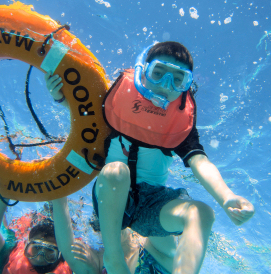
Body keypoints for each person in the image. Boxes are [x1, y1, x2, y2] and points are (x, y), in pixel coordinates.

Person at [46, 41, 255, 274]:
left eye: (178, 79)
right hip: (111, 201)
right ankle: (114, 260)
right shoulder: (116, 101)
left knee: (202, 213)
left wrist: (226, 196)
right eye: (158, 73)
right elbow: (83, 113)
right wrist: (61, 97)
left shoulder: (180, 125)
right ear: (142, 72)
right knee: (116, 171)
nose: (165, 85)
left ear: (187, 86)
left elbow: (200, 162)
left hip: (151, 203)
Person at [0, 198, 72, 274]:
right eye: (36, 247)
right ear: (25, 246)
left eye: (50, 251)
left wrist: (4, 197)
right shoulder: (10, 253)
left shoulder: (7, 256)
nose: (39, 258)